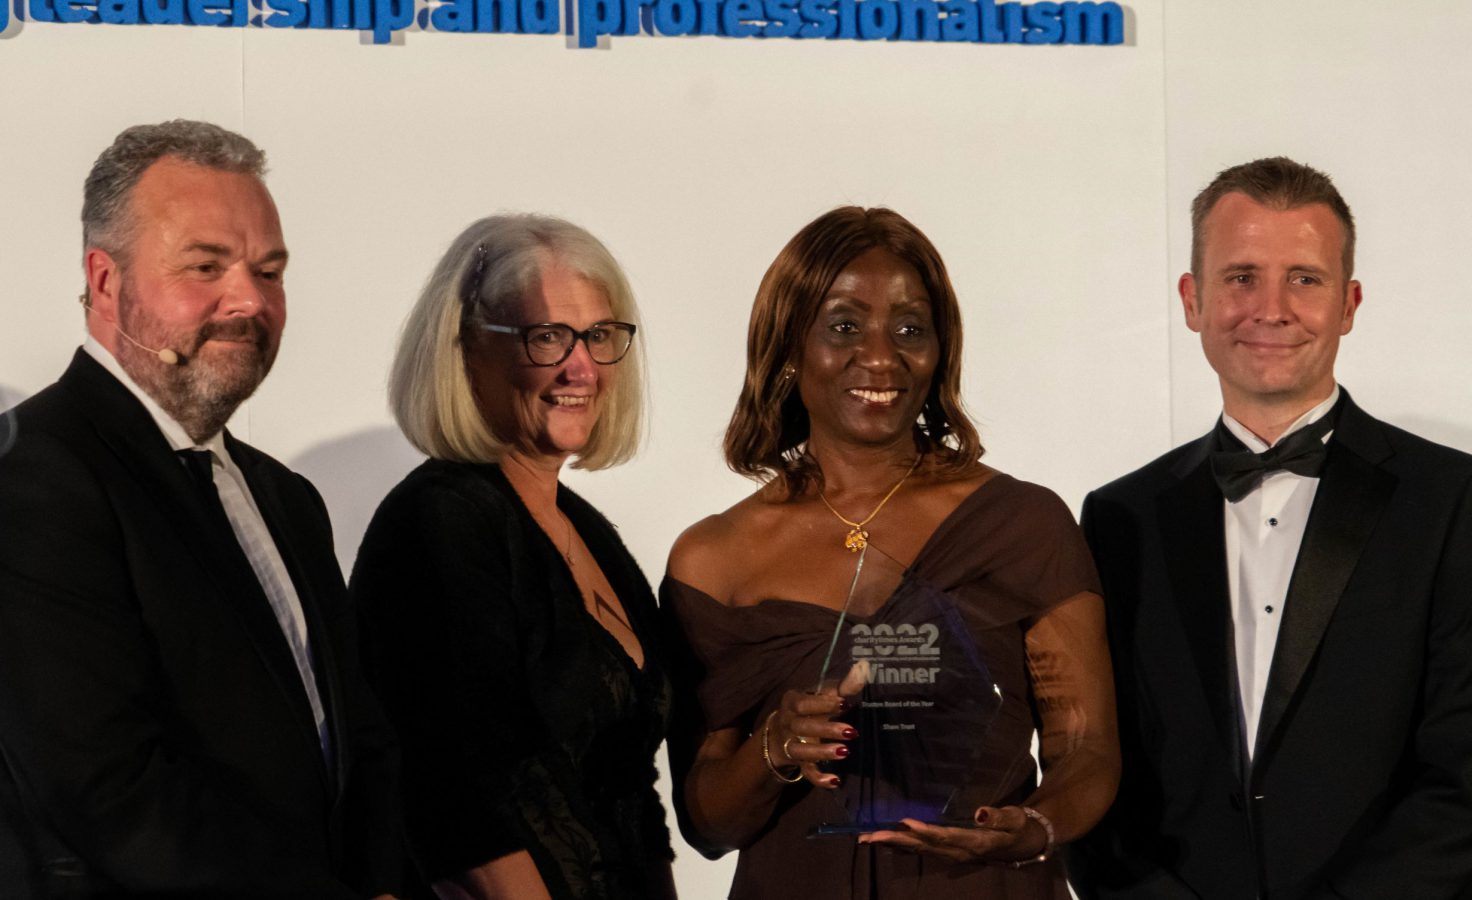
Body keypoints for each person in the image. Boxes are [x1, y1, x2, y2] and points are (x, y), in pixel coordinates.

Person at [1068, 157, 1472, 900]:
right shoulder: (1118, 516)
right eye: (1240, 277)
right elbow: (1093, 764)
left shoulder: (1459, 501)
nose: (1270, 308)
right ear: (1192, 299)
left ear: (1350, 302)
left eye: (1304, 277)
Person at [662, 206, 1119, 899]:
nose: (881, 356)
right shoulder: (712, 559)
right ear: (788, 346)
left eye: (910, 329)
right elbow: (705, 824)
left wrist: (1036, 827)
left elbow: (1086, 749)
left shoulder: (1023, 524)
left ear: (941, 352)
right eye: (844, 326)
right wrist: (774, 748)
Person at [0, 121, 401, 897]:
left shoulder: (286, 498)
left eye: (270, 270)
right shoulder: (33, 479)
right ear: (106, 279)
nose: (249, 298)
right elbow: (104, 788)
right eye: (205, 265)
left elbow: (362, 739)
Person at [352, 215, 674, 900]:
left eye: (600, 336)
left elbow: (635, 795)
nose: (581, 367)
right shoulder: (438, 522)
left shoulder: (588, 531)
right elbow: (454, 806)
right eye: (548, 336)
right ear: (466, 350)